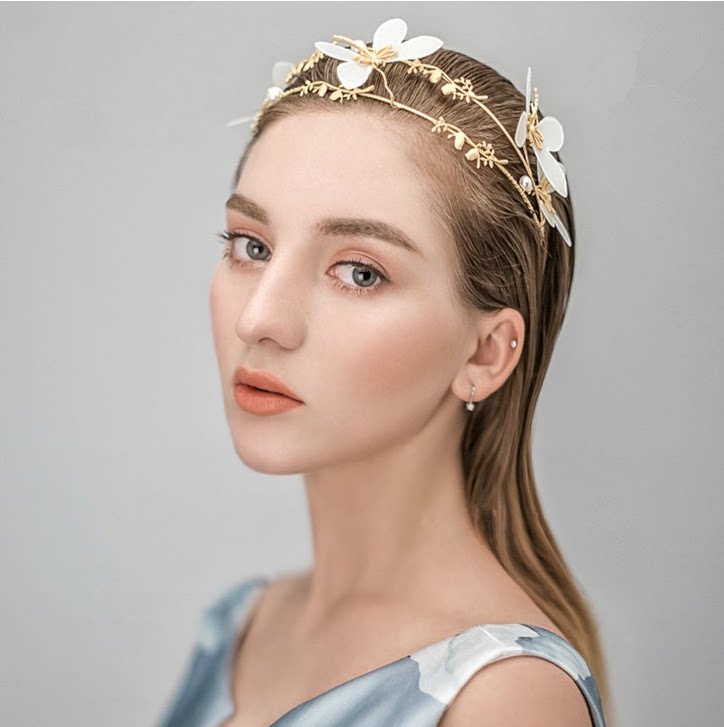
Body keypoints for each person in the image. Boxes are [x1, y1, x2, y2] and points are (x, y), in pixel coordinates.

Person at [156, 17, 611, 727]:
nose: (260, 319)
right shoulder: (242, 623)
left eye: (360, 272)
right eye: (252, 245)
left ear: (486, 354)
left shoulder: (506, 700)